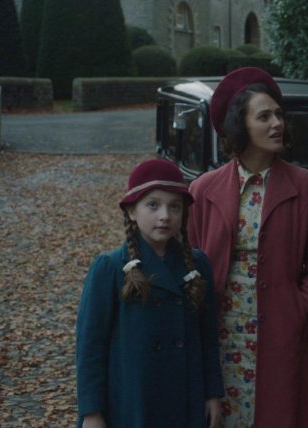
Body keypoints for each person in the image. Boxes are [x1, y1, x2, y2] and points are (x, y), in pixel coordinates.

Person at [187, 67, 308, 427]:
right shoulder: (203, 190)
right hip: (220, 334)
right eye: (264, 116)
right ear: (240, 126)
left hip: (280, 331)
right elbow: (188, 261)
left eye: (279, 115)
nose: (277, 124)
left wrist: (301, 310)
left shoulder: (306, 187)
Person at [76, 159, 223, 427]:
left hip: (186, 398)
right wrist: (92, 412)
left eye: (174, 206)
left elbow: (208, 338)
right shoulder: (110, 268)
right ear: (132, 211)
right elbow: (91, 347)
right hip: (131, 402)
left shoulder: (198, 265)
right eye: (153, 205)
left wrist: (212, 393)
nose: (165, 215)